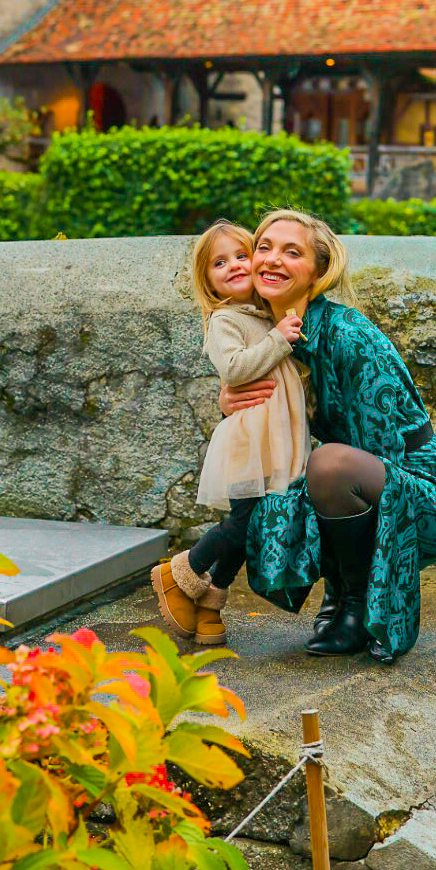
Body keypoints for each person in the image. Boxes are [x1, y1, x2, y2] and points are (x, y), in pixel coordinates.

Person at [217, 209, 436, 663]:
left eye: (291, 252)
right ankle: (333, 602)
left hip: (421, 494)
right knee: (292, 477)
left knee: (328, 465)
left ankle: (356, 605)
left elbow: (378, 452)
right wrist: (229, 400)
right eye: (264, 247)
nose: (272, 259)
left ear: (318, 273)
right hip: (348, 482)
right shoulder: (269, 337)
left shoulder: (348, 335)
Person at [151, 220, 310, 647]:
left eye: (242, 255)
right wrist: (278, 339)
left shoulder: (264, 312)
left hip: (276, 439)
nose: (235, 266)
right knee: (247, 522)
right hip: (249, 439)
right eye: (220, 262)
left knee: (251, 524)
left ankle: (210, 604)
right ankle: (182, 570)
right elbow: (235, 368)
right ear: (206, 279)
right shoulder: (224, 320)